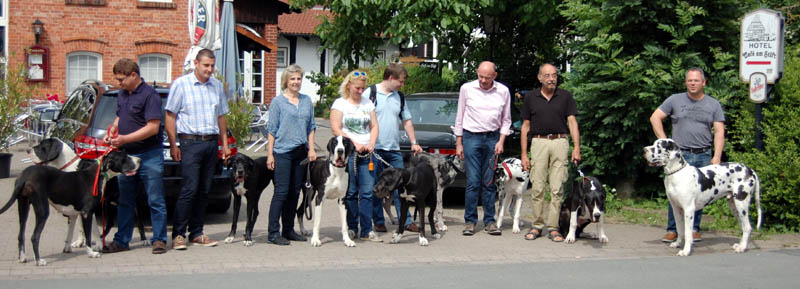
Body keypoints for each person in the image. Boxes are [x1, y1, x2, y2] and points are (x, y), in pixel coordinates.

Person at [165, 48, 231, 250]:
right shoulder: (181, 85)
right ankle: (178, 234)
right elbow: (170, 115)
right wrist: (174, 144)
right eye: (206, 65)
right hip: (190, 142)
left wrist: (225, 144)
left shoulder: (216, 86)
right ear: (196, 63)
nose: (209, 69)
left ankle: (197, 232)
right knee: (189, 189)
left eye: (212, 65)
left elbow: (221, 116)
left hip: (211, 143)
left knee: (204, 190)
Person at [650, 67, 725, 243]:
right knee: (674, 192)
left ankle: (694, 229)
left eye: (696, 80)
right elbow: (655, 117)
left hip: (703, 154)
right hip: (679, 157)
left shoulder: (713, 104)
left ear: (704, 83)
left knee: (700, 194)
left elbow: (719, 131)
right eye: (690, 80)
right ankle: (672, 230)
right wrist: (664, 141)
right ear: (686, 82)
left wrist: (717, 157)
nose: (693, 83)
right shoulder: (674, 100)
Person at [102, 58, 168, 254]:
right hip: (127, 157)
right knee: (125, 200)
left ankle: (159, 240)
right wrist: (113, 129)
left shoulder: (150, 96)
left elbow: (152, 128)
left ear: (133, 75)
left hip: (149, 155)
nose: (119, 83)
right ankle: (122, 240)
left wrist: (124, 139)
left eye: (121, 79)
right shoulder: (123, 94)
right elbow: (121, 116)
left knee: (155, 199)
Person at [520, 63, 581, 242]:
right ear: (539, 77)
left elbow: (572, 123)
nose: (551, 79)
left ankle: (554, 227)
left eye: (554, 75)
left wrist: (576, 147)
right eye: (547, 75)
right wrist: (524, 154)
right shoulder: (531, 97)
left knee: (557, 188)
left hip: (560, 142)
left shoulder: (565, 96)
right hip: (538, 143)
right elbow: (525, 127)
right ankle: (537, 225)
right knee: (537, 187)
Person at [454, 61, 512, 236]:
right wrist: (459, 143)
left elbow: (506, 119)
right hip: (471, 137)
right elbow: (460, 115)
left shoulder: (503, 91)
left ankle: (490, 221)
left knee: (488, 182)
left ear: (494, 76)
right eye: (480, 76)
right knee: (472, 181)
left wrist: (501, 141)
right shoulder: (467, 89)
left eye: (487, 77)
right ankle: (470, 221)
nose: (483, 80)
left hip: (492, 138)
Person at [366, 63, 423, 233]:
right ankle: (378, 221)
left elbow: (406, 120)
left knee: (401, 186)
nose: (402, 85)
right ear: (391, 78)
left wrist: (414, 141)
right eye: (401, 81)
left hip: (394, 149)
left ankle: (405, 221)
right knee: (377, 186)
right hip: (374, 148)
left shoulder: (400, 97)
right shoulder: (370, 93)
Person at [265, 64, 317, 245]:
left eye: (298, 79)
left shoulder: (306, 101)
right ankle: (273, 232)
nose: (296, 82)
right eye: (292, 79)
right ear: (286, 81)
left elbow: (311, 127)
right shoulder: (278, 102)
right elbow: (271, 130)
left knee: (295, 192)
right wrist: (270, 154)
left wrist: (311, 149)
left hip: (301, 152)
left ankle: (288, 229)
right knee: (281, 192)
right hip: (282, 152)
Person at [330, 70, 381, 242]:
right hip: (349, 153)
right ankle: (351, 227)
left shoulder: (368, 104)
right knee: (351, 192)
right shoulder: (340, 104)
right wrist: (354, 144)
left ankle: (367, 229)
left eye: (362, 88)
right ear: (349, 86)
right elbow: (336, 128)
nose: (360, 91)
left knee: (367, 192)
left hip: (367, 153)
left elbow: (374, 126)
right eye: (357, 88)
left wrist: (372, 142)